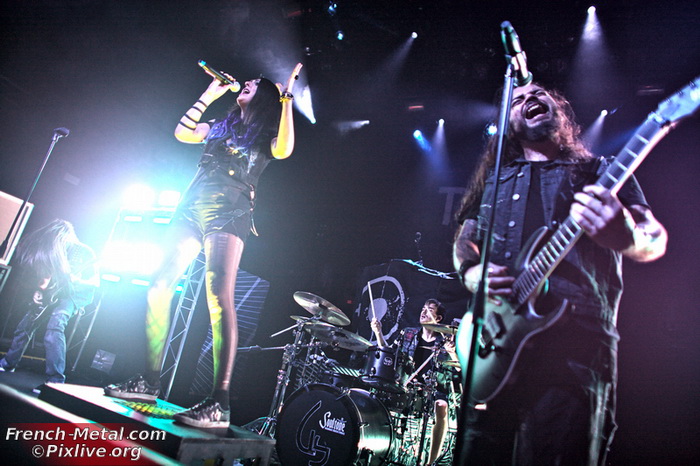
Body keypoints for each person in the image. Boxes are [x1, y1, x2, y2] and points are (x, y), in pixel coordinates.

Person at [451, 82, 668, 464]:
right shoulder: (496, 180)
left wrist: (626, 235)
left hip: (574, 351)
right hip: (493, 349)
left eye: (539, 93)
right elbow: (466, 238)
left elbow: (655, 237)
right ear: (507, 124)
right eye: (518, 99)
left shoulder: (601, 172)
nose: (530, 98)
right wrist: (471, 272)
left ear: (560, 110)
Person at [104, 63, 303, 428]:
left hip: (230, 211)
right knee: (158, 285)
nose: (246, 83)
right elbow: (182, 132)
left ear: (265, 98)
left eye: (253, 84)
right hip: (191, 208)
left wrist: (287, 95)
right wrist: (210, 93)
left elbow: (285, 149)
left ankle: (219, 403)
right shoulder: (222, 126)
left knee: (217, 295)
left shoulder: (266, 133)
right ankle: (149, 380)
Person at [0, 219, 99, 387]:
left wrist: (76, 281)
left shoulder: (84, 252)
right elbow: (46, 279)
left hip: (75, 295)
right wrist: (38, 292)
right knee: (24, 327)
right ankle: (8, 363)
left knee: (54, 327)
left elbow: (95, 282)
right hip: (55, 293)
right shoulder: (55, 252)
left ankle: (55, 381)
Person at [371, 298, 459, 465]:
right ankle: (382, 450)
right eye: (423, 308)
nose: (423, 311)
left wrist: (452, 353)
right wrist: (378, 332)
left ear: (438, 318)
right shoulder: (408, 333)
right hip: (407, 385)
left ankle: (430, 462)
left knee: (441, 406)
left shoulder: (446, 342)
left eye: (429, 310)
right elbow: (389, 352)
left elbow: (459, 368)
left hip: (434, 389)